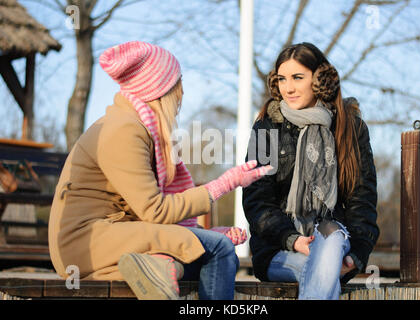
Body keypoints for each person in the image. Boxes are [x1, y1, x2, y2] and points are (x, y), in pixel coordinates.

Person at [48, 41, 271, 300]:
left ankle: (159, 267)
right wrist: (223, 185)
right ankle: (162, 266)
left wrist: (201, 234)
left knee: (198, 255)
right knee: (219, 249)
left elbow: (148, 212)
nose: (182, 92)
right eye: (178, 83)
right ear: (158, 88)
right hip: (86, 243)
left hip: (114, 235)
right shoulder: (123, 130)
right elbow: (155, 210)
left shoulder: (136, 127)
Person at [242, 42, 379, 300]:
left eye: (297, 77)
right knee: (322, 272)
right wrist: (292, 239)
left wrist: (356, 256)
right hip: (278, 249)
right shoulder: (266, 127)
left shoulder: (351, 128)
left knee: (331, 236)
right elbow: (256, 199)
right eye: (282, 79)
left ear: (319, 80)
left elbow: (363, 199)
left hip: (334, 243)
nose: (288, 87)